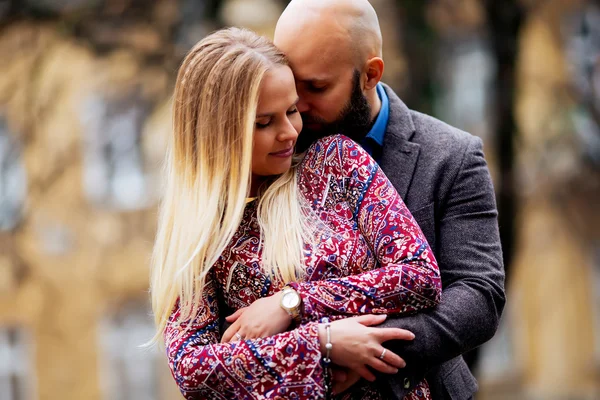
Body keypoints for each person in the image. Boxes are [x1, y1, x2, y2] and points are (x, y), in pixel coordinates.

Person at [149, 27, 442, 399]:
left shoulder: (338, 162)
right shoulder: (199, 235)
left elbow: (419, 275)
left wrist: (294, 303)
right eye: (264, 123)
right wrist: (322, 342)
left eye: (291, 110)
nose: (289, 132)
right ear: (217, 133)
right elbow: (193, 370)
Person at [270, 0, 506, 399]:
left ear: (370, 74)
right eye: (293, 85)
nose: (299, 106)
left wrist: (367, 351)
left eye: (317, 87)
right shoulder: (275, 153)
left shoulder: (451, 156)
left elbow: (478, 295)